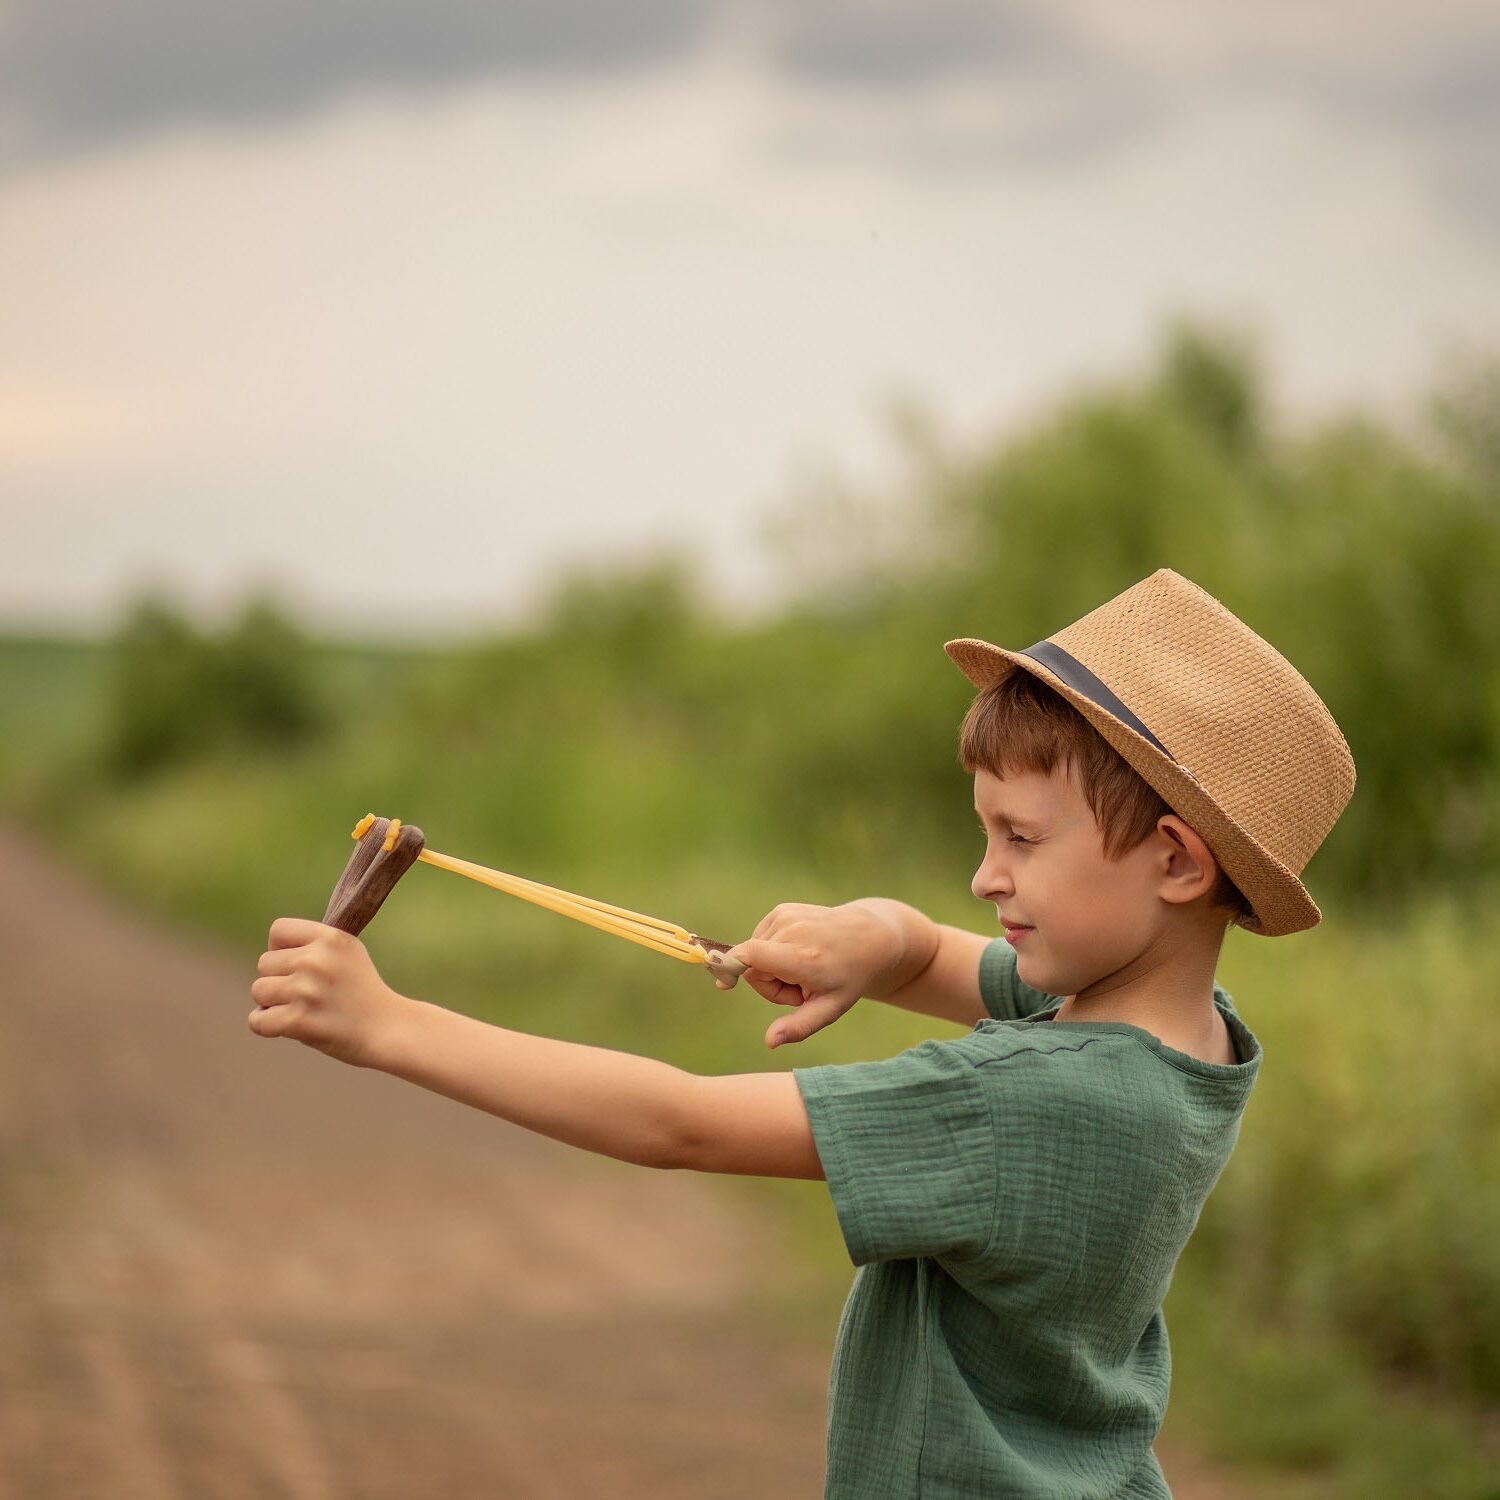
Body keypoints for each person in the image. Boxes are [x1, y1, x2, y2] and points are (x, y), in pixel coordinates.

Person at [250, 568, 1354, 1498]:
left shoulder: (1041, 1092)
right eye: (985, 831)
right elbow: (927, 951)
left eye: (1020, 836)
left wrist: (388, 1024)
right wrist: (871, 940)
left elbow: (679, 1123)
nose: (986, 876)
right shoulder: (1179, 1036)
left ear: (1174, 861)